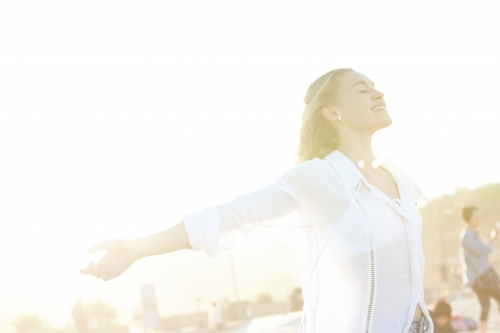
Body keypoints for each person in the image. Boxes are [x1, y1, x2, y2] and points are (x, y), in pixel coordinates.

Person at [80, 68, 433, 333]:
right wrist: (136, 248)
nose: (378, 93)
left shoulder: (399, 179)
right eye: (362, 89)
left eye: (375, 86)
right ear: (332, 112)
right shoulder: (319, 179)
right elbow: (227, 216)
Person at [459, 205, 500, 333]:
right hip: (481, 277)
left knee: (486, 306)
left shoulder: (471, 234)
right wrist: (494, 237)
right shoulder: (467, 236)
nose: (478, 218)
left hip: (481, 277)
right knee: (487, 305)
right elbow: (482, 251)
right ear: (469, 218)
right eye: (475, 216)